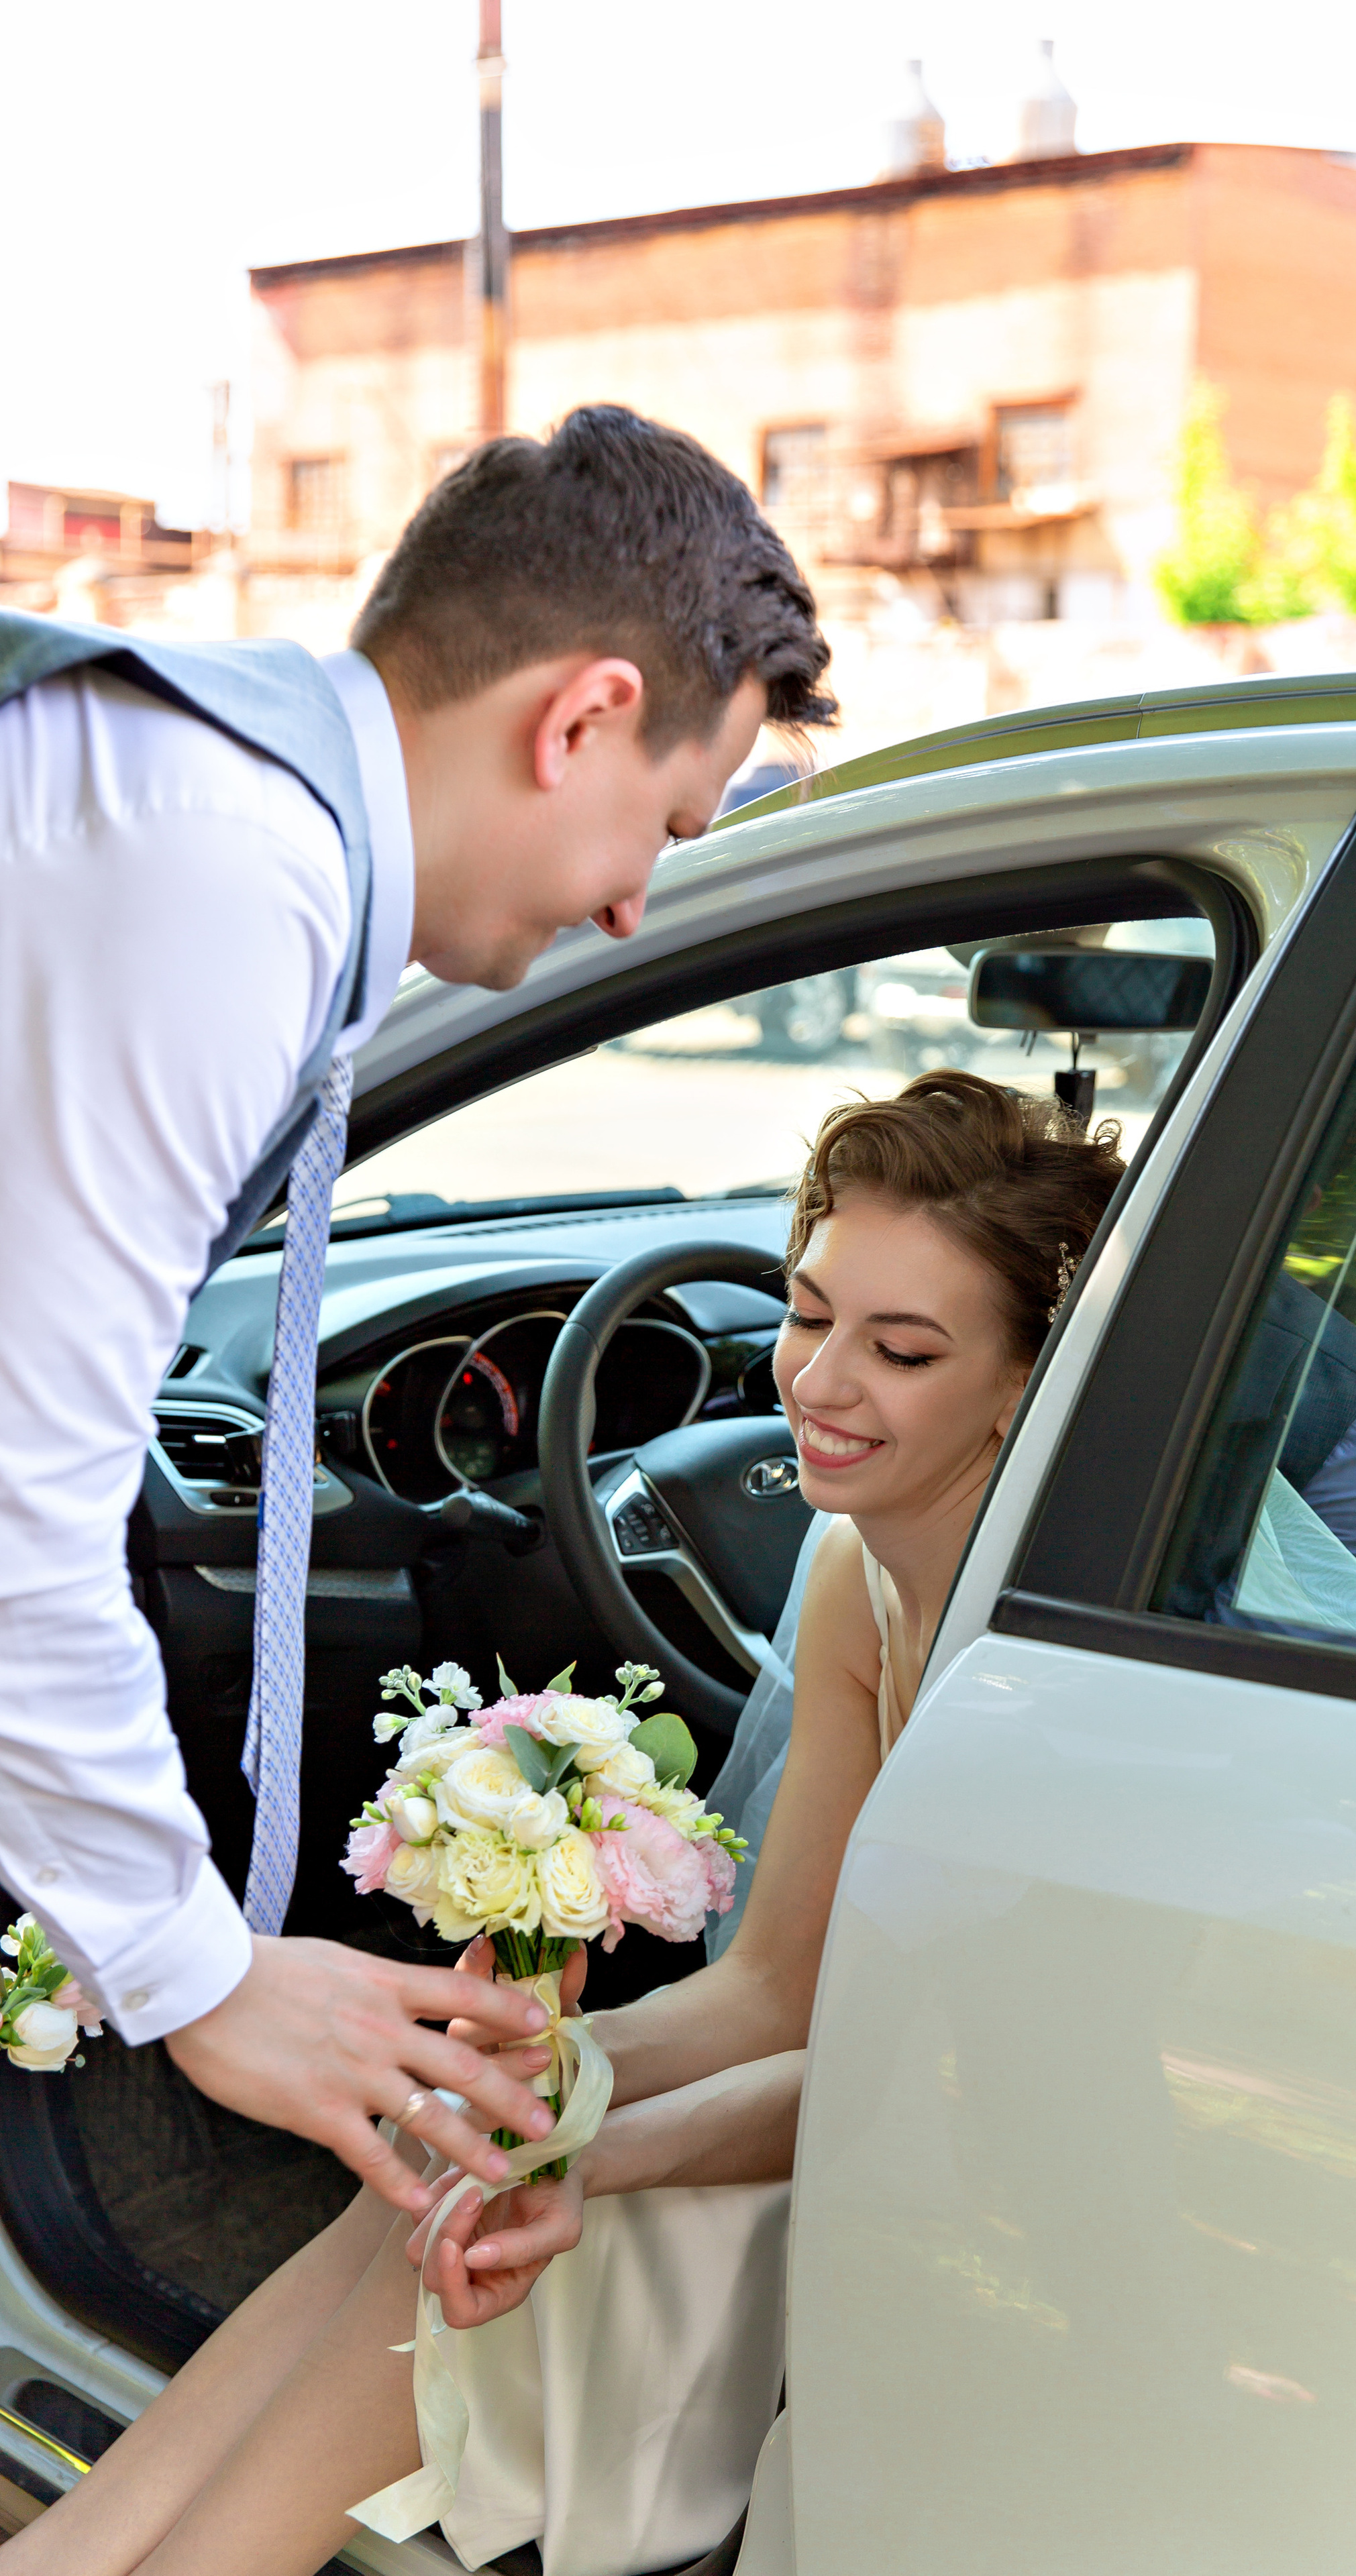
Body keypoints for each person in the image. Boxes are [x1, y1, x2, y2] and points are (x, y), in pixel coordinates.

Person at [11, 1071, 1125, 2576]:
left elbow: (909, 2083)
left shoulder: (1048, 1666)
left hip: (1005, 2182)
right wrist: (526, 2075)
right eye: (805, 1317)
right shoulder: (848, 1570)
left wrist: (590, 2148)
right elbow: (778, 1989)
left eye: (904, 1349)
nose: (819, 1382)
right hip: (865, 2107)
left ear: (1024, 1380)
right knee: (454, 2148)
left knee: (493, 2192)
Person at [0, 405, 834, 2215]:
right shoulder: (229, 871)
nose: (634, 908)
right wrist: (191, 1969)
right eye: (668, 825)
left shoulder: (195, 798)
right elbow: (18, 1485)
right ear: (582, 717)